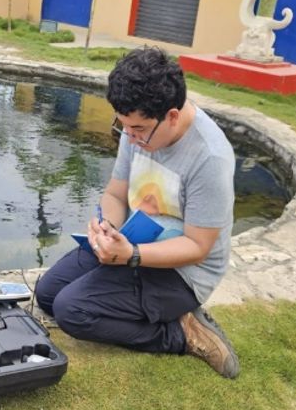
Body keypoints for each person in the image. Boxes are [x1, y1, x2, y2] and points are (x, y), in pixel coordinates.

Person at [34, 47, 241, 379]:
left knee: (71, 311)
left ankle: (180, 334)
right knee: (47, 294)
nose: (130, 137)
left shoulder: (209, 158)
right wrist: (106, 226)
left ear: (171, 116)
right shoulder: (137, 128)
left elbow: (198, 247)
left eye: (138, 129)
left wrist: (130, 255)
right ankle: (145, 300)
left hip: (183, 273)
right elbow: (116, 193)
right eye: (123, 126)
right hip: (133, 244)